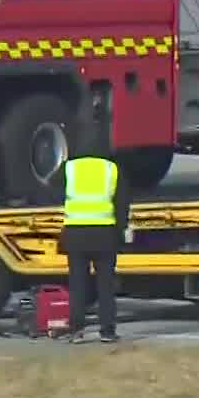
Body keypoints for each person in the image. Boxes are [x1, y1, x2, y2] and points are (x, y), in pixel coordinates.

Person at [61, 117, 130, 344]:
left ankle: (76, 331)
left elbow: (52, 190)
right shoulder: (111, 169)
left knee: (78, 284)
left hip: (76, 235)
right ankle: (107, 331)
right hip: (104, 235)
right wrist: (120, 230)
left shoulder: (70, 168)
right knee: (106, 286)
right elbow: (122, 205)